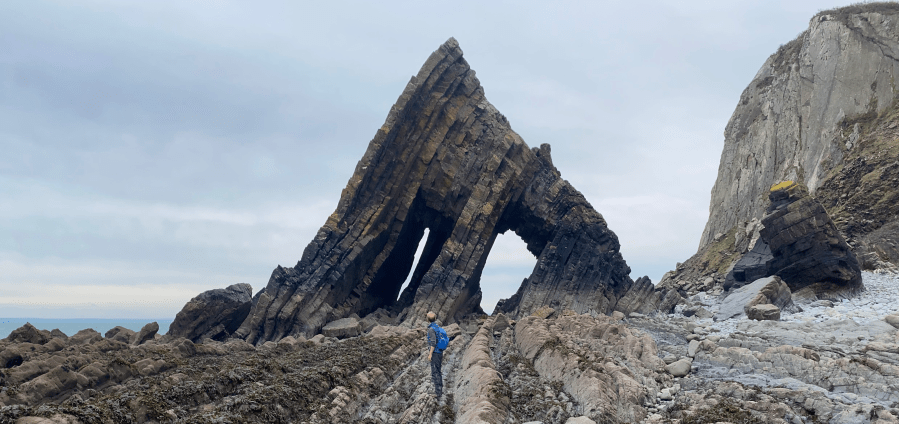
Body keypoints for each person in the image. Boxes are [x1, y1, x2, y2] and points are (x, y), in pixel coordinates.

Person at [426, 311, 443, 400]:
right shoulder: (437, 327)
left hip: (435, 353)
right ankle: (440, 390)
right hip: (440, 352)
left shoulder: (431, 329)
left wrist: (430, 354)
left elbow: (433, 342)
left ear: (428, 319)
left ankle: (438, 393)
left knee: (435, 372)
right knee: (438, 371)